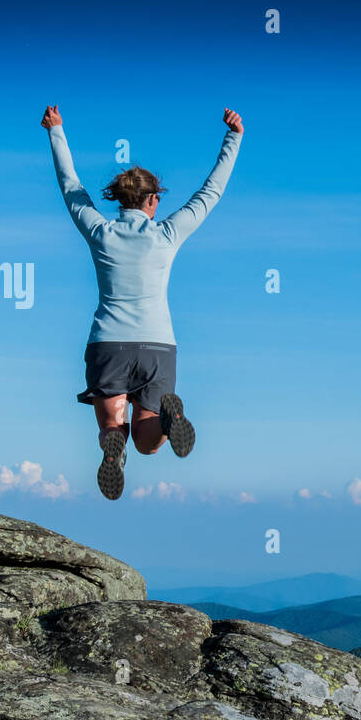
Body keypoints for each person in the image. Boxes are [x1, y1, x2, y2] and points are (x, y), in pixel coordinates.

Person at [40, 104, 244, 499]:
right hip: (157, 345)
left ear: (120, 199)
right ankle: (170, 418)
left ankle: (112, 450)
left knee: (112, 426)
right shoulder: (167, 234)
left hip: (108, 344)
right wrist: (233, 137)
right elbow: (211, 192)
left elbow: (71, 187)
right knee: (148, 444)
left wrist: (56, 131)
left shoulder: (100, 231)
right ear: (152, 200)